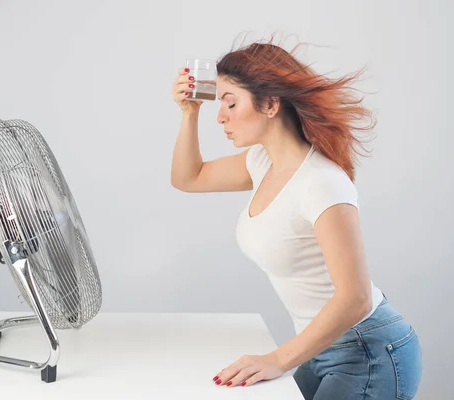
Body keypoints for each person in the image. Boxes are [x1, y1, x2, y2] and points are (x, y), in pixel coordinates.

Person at [170, 38, 423, 400]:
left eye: (231, 103)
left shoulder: (321, 182)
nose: (221, 115)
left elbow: (356, 299)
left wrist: (277, 359)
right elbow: (187, 178)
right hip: (320, 348)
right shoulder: (261, 163)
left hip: (368, 352)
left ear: (271, 104)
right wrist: (188, 113)